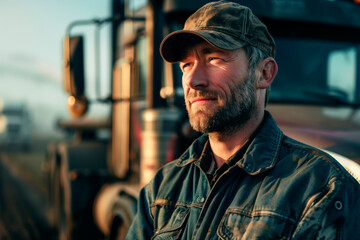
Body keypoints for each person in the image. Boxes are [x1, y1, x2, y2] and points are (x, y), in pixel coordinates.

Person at [125, 1, 360, 239]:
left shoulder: (319, 186)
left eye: (214, 59)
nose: (193, 80)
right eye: (186, 65)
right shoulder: (163, 188)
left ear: (264, 73)